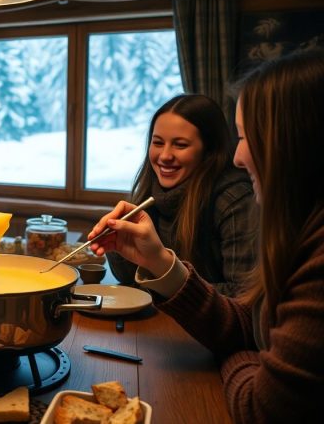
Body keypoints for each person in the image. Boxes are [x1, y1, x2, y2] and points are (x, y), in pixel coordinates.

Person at [88, 48, 324, 423]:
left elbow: (260, 404)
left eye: (247, 137)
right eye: (157, 142)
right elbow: (251, 321)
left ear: (293, 145)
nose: (238, 157)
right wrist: (156, 260)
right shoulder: (306, 229)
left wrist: (234, 350)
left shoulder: (239, 203)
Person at [107, 94, 257, 296]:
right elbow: (128, 278)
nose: (165, 156)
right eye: (158, 143)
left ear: (209, 150)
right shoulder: (149, 191)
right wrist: (117, 245)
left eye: (180, 145)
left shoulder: (232, 200)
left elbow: (242, 295)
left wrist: (166, 281)